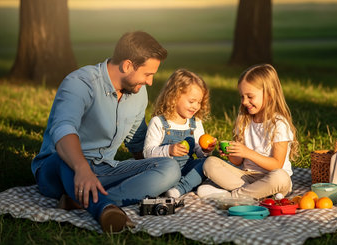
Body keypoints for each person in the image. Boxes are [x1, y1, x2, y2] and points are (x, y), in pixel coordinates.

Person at [31, 31, 181, 233]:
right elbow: (63, 128)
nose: (150, 82)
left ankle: (80, 201)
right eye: (148, 74)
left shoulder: (138, 93)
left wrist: (158, 167)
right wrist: (82, 168)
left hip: (105, 170)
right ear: (127, 65)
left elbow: (137, 142)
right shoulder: (80, 83)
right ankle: (103, 208)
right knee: (64, 160)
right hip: (60, 169)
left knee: (170, 168)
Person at [197, 64, 299, 199]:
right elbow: (238, 161)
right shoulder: (244, 120)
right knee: (210, 163)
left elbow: (277, 165)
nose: (245, 101)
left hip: (273, 179)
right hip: (246, 177)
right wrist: (230, 153)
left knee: (281, 178)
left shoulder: (279, 124)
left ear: (269, 94)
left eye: (250, 96)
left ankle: (232, 196)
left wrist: (247, 152)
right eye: (242, 96)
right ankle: (253, 194)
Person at [143, 69, 216, 198]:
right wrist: (169, 150)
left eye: (199, 102)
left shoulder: (196, 123)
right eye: (192, 101)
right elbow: (148, 152)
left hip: (187, 169)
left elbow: (198, 153)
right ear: (174, 96)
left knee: (207, 162)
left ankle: (178, 189)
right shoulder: (159, 122)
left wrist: (205, 149)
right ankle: (183, 186)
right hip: (165, 170)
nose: (196, 106)